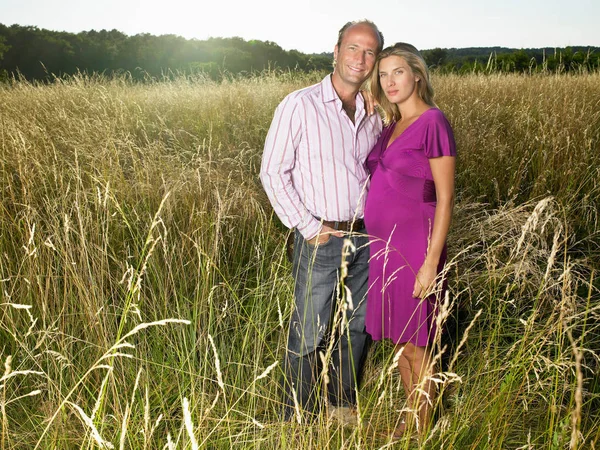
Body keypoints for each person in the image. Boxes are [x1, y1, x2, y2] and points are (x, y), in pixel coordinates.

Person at [260, 20, 384, 422]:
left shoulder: (374, 112)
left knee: (356, 325)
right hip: (321, 236)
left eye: (369, 52)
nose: (360, 59)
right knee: (309, 330)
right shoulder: (299, 104)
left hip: (364, 235)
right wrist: (308, 227)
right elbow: (272, 172)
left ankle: (342, 403)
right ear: (336, 50)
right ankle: (299, 410)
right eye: (353, 48)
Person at [363, 42, 456, 436]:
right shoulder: (389, 124)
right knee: (403, 343)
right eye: (383, 75)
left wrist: (431, 263)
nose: (390, 81)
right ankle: (411, 422)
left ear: (417, 74)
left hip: (416, 245)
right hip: (384, 250)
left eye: (398, 72)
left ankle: (422, 432)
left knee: (419, 344)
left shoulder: (433, 122)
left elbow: (447, 196)